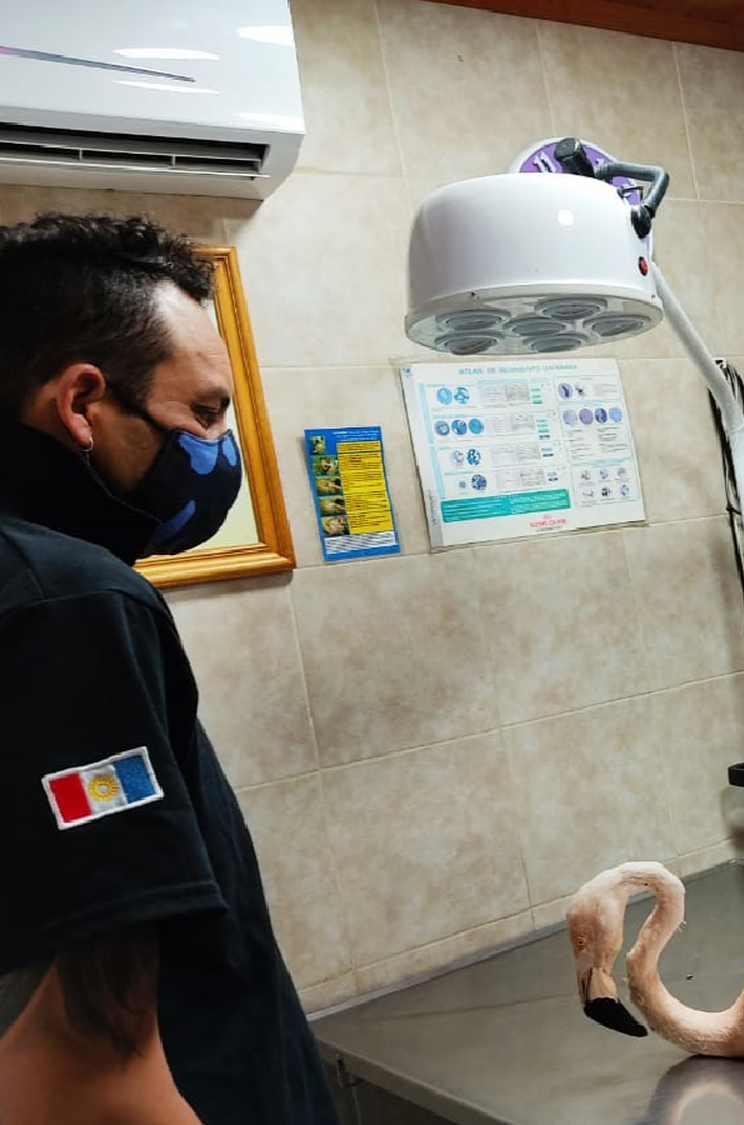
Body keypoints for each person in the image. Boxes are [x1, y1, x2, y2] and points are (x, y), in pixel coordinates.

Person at [0, 215, 336, 1124]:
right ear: (82, 403)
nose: (219, 446)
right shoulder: (66, 602)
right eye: (205, 410)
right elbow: (89, 1056)